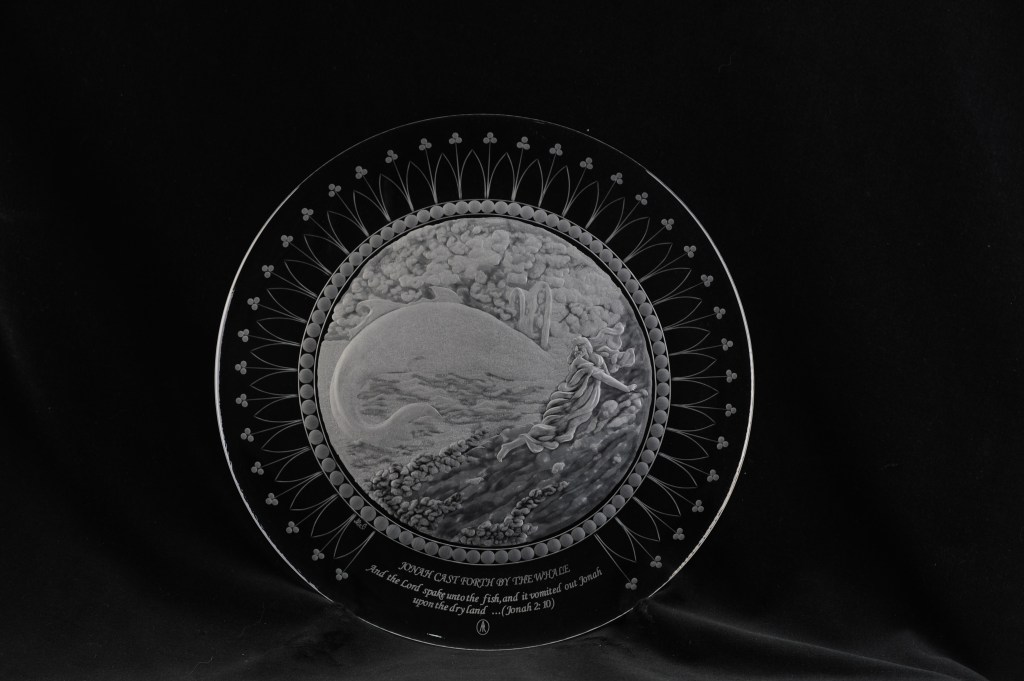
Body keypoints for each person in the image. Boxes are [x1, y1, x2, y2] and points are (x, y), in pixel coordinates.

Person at [496, 326, 637, 462]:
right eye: (579, 349)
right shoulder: (582, 363)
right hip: (575, 403)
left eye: (582, 347)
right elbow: (604, 377)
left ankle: (510, 445)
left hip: (584, 403)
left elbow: (606, 374)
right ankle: (510, 446)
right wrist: (625, 388)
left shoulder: (595, 358)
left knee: (559, 431)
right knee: (552, 430)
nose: (580, 351)